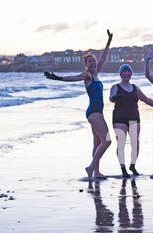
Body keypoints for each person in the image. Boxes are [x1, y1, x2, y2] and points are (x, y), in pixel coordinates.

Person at [45, 30, 113, 180]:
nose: (94, 63)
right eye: (90, 62)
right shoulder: (87, 75)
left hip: (98, 112)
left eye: (94, 61)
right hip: (93, 112)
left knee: (97, 143)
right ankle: (90, 168)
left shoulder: (96, 73)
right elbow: (73, 78)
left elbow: (104, 57)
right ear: (86, 65)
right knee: (107, 140)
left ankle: (96, 171)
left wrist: (108, 41)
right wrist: (58, 78)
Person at [109, 64, 153, 178]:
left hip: (134, 118)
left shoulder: (135, 88)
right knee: (121, 144)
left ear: (131, 74)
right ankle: (123, 169)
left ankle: (132, 165)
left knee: (135, 144)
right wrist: (114, 98)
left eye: (129, 72)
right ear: (121, 74)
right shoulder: (115, 87)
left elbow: (145, 99)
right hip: (119, 119)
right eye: (124, 72)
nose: (127, 74)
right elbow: (111, 97)